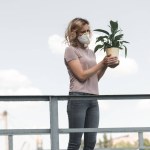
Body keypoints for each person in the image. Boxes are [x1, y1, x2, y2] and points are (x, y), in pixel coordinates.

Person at [64, 17, 119, 150]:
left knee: (91, 142)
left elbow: (95, 78)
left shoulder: (90, 52)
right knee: (75, 142)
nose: (87, 34)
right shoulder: (70, 50)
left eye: (88, 31)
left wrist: (106, 65)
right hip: (77, 98)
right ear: (74, 33)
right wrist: (102, 63)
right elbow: (82, 76)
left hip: (93, 98)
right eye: (83, 31)